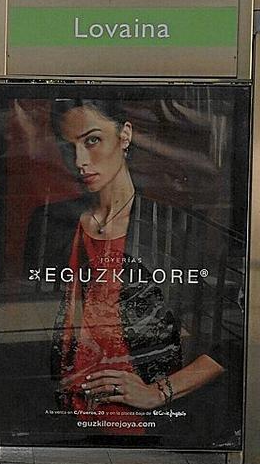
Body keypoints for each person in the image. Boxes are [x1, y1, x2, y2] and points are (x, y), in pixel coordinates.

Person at [25, 99, 225, 435]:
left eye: (92, 140)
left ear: (125, 135)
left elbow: (227, 345)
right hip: (64, 420)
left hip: (142, 426)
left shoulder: (173, 228)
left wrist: (159, 393)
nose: (79, 162)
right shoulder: (50, 224)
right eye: (68, 146)